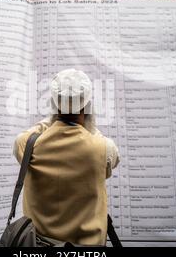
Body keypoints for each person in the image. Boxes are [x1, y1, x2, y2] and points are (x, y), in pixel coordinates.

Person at [12, 68, 120, 245]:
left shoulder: (28, 145)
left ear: (54, 105)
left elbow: (26, 135)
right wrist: (88, 121)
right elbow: (107, 153)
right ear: (88, 106)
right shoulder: (104, 149)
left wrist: (53, 117)